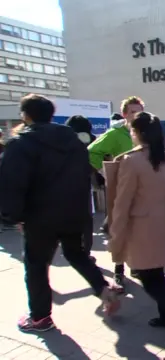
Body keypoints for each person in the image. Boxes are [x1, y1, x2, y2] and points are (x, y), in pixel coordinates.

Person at [0, 94, 120, 332]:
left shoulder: (20, 144)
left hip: (39, 217)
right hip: (74, 212)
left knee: (36, 266)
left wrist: (12, 216)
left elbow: (12, 184)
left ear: (26, 115)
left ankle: (40, 317)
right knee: (77, 255)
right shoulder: (73, 141)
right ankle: (104, 289)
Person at [109, 111, 165, 337]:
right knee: (157, 273)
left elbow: (122, 204)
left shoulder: (132, 161)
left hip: (142, 230)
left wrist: (115, 234)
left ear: (138, 133)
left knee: (148, 280)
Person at [88, 97, 144, 290]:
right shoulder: (115, 134)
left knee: (138, 230)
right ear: (124, 114)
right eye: (132, 112)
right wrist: (106, 172)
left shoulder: (145, 132)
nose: (136, 115)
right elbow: (92, 152)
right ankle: (119, 272)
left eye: (140, 111)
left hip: (142, 190)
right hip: (120, 190)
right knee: (119, 230)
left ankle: (136, 265)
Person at [65, 115, 98, 261]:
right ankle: (85, 252)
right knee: (86, 221)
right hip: (85, 185)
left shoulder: (64, 141)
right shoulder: (92, 140)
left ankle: (76, 251)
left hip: (65, 187)